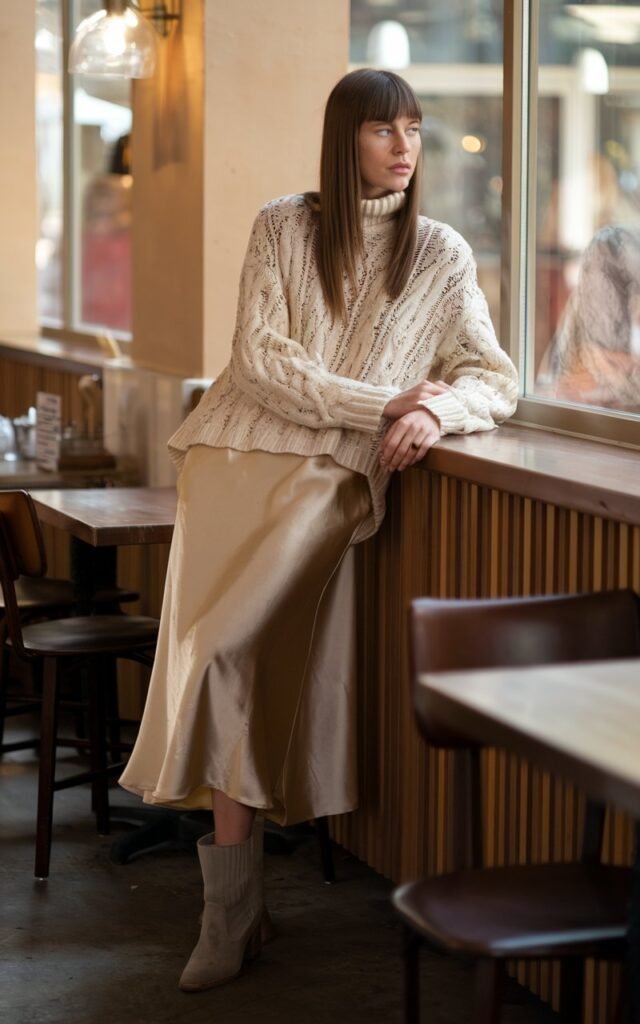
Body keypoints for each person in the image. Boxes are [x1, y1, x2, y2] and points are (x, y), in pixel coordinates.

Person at [119, 68, 518, 993]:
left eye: (415, 129)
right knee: (216, 664)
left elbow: (493, 377)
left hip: (327, 477)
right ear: (346, 141)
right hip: (229, 462)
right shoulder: (282, 225)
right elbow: (259, 364)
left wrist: (439, 414)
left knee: (221, 656)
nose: (405, 147)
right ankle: (236, 910)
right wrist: (386, 401)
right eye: (385, 131)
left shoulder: (444, 255)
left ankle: (227, 916)